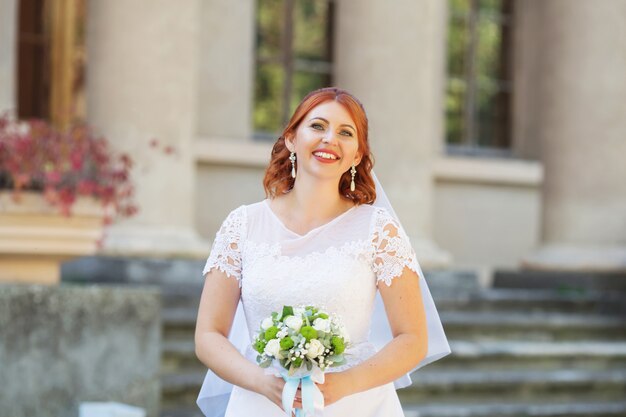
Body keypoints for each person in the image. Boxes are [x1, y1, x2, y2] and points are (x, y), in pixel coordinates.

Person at [195, 87, 449, 417]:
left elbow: (413, 338)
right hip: (260, 404)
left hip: (356, 404)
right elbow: (208, 335)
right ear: (291, 138)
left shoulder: (378, 230)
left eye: (346, 132)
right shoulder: (242, 226)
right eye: (317, 126)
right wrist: (262, 383)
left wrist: (343, 385)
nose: (330, 138)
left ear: (357, 155)